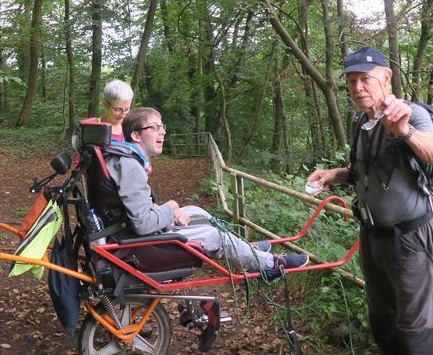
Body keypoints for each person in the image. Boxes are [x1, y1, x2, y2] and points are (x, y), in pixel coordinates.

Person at [307, 47, 433, 354]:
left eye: (365, 79)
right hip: (373, 239)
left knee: (418, 332)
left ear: (386, 77)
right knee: (383, 324)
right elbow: (365, 173)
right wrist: (335, 174)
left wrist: (404, 131)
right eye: (351, 81)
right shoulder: (362, 122)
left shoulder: (413, 114)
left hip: (411, 241)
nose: (357, 87)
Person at [103, 107, 309, 278]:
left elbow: (135, 209)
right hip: (143, 244)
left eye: (162, 126)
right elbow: (143, 224)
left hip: (133, 233)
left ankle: (245, 249)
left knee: (196, 211)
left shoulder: (126, 160)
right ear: (136, 135)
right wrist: (171, 208)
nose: (163, 132)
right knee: (215, 236)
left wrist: (168, 213)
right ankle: (270, 263)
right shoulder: (130, 166)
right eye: (154, 127)